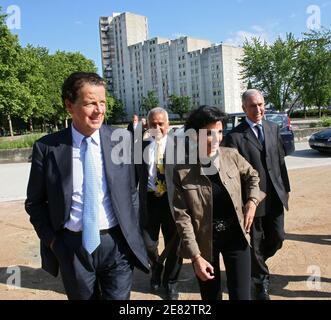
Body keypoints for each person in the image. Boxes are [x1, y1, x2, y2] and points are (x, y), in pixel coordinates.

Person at [25, 72, 149, 300]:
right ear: (69, 105)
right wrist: (54, 243)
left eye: (102, 102)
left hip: (117, 246)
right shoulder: (48, 147)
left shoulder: (122, 140)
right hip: (72, 247)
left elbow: (132, 192)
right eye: (91, 103)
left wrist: (133, 233)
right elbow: (34, 203)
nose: (99, 110)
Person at [172, 106, 264, 300]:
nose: (216, 139)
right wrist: (196, 257)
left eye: (220, 132)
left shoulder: (231, 155)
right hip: (205, 243)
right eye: (209, 134)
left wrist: (252, 202)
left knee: (242, 296)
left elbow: (253, 176)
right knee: (210, 297)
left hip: (236, 237)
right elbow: (182, 218)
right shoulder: (182, 170)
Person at [225, 89, 291, 300]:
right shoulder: (234, 136)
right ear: (244, 108)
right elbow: (232, 175)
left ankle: (258, 266)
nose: (259, 109)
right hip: (251, 201)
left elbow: (280, 161)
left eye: (261, 104)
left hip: (274, 197)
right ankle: (260, 281)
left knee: (277, 237)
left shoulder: (273, 128)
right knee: (254, 244)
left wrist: (286, 189)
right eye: (253, 106)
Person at [137, 107, 183, 300]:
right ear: (147, 125)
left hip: (173, 203)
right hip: (149, 202)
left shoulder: (181, 146)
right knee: (148, 244)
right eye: (153, 124)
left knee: (175, 245)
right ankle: (157, 266)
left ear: (168, 125)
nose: (157, 127)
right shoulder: (139, 147)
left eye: (161, 124)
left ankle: (171, 282)